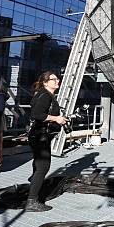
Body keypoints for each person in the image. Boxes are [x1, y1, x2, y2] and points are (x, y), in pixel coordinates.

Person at [26, 71, 67, 212]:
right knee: (43, 166)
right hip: (40, 136)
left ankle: (33, 187)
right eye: (53, 79)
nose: (57, 81)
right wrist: (56, 119)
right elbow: (37, 114)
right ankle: (32, 201)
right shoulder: (45, 95)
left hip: (38, 135)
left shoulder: (45, 94)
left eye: (57, 79)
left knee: (38, 165)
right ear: (45, 82)